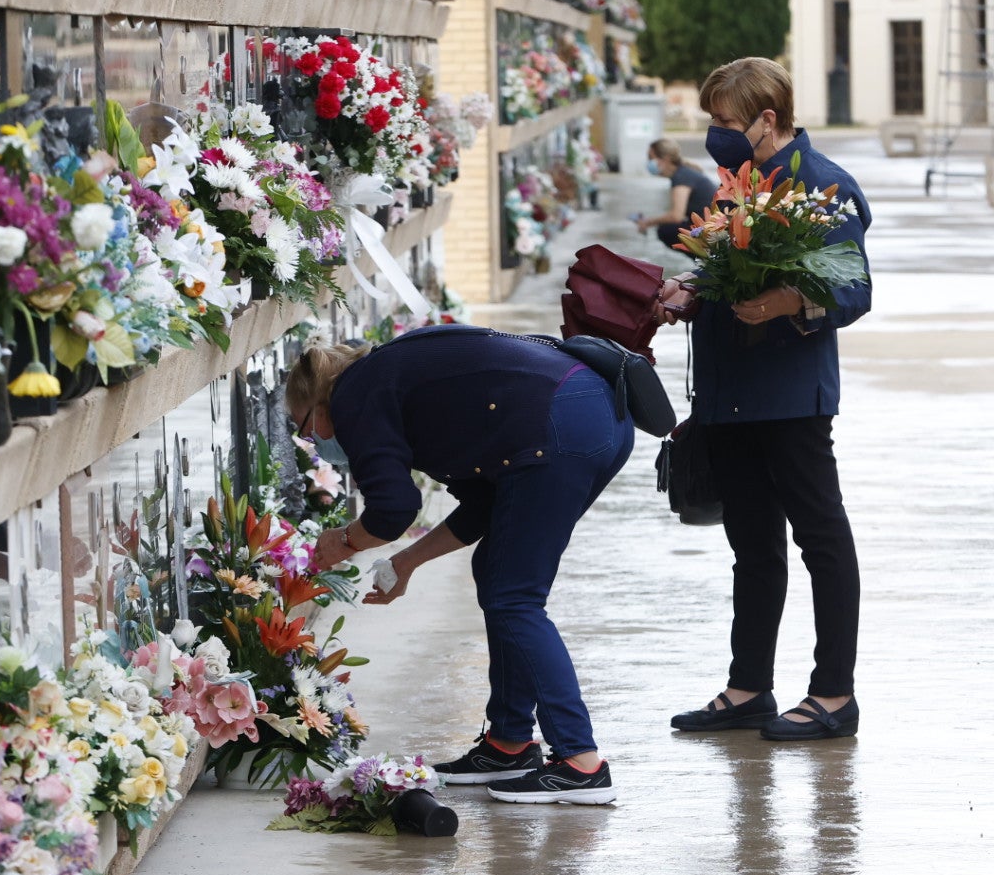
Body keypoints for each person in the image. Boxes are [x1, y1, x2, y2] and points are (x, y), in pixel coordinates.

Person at [288, 325, 634, 803]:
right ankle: (509, 743)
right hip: (590, 417)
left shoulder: (356, 396)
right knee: (497, 571)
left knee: (514, 596)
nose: (312, 440)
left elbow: (392, 509)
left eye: (305, 427)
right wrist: (404, 563)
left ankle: (580, 761)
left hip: (559, 427)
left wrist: (344, 541)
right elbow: (483, 508)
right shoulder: (390, 380)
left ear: (321, 405)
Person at [655, 57, 872, 741]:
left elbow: (854, 289)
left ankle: (834, 695)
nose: (715, 136)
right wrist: (693, 286)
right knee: (752, 545)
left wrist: (789, 301)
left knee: (820, 539)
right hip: (730, 394)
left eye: (724, 123)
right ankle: (748, 687)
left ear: (766, 120)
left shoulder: (825, 187)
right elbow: (723, 261)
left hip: (789, 397)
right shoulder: (737, 184)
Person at [634, 138, 719, 252]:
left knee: (666, 230)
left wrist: (648, 222)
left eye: (651, 157)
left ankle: (705, 261)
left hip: (713, 229)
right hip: (711, 225)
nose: (648, 162)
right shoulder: (683, 173)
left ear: (665, 159)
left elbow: (676, 216)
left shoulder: (681, 177)